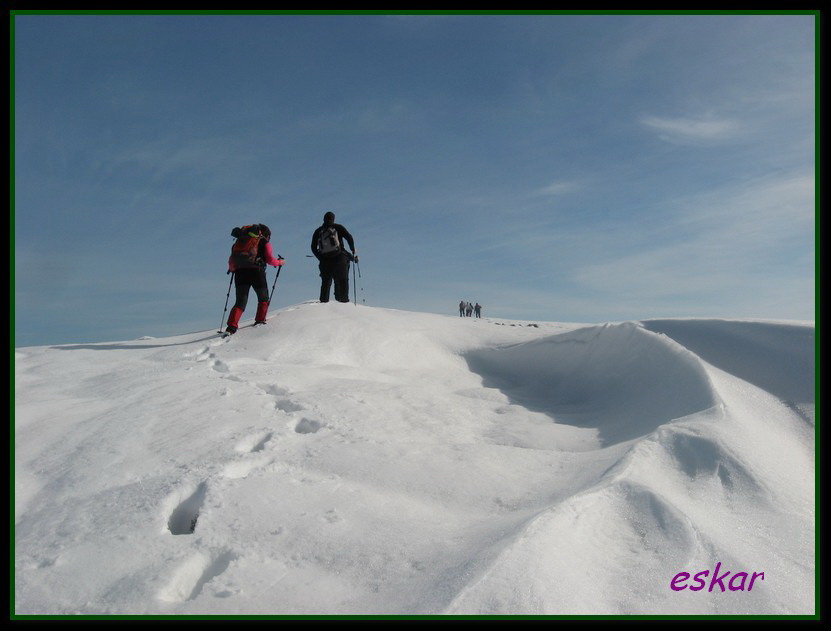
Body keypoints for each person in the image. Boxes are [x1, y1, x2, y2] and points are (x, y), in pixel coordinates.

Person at [226, 224, 284, 334]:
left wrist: (234, 269)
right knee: (263, 298)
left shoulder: (239, 243)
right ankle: (260, 321)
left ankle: (231, 327)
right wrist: (280, 262)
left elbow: (231, 262)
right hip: (257, 272)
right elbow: (270, 259)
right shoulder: (263, 242)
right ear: (265, 234)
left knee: (240, 301)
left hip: (240, 273)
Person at [310, 211, 357, 303]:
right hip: (340, 258)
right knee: (343, 280)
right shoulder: (338, 227)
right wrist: (352, 249)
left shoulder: (318, 231)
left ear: (323, 219)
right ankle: (344, 301)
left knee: (326, 282)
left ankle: (323, 301)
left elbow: (313, 247)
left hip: (325, 261)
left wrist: (321, 258)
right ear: (333, 219)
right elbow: (349, 237)